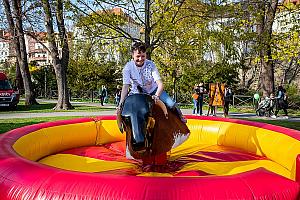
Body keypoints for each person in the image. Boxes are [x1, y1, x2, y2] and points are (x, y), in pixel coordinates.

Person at [116, 42, 186, 123]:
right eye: (137, 56)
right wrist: (121, 102)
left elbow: (160, 84)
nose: (140, 59)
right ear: (132, 55)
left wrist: (157, 95)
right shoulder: (128, 67)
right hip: (136, 93)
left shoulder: (151, 65)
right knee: (125, 107)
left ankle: (180, 118)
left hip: (153, 91)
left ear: (146, 55)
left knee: (171, 103)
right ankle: (125, 126)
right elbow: (126, 86)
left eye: (143, 56)